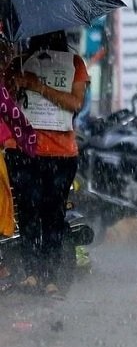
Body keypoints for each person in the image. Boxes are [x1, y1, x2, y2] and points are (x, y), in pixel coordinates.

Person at [3, 30, 89, 298]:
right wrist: (16, 83)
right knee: (29, 214)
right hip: (25, 151)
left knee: (52, 216)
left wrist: (38, 85)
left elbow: (75, 103)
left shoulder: (74, 64)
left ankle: (50, 278)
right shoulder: (19, 63)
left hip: (61, 155)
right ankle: (31, 274)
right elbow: (6, 102)